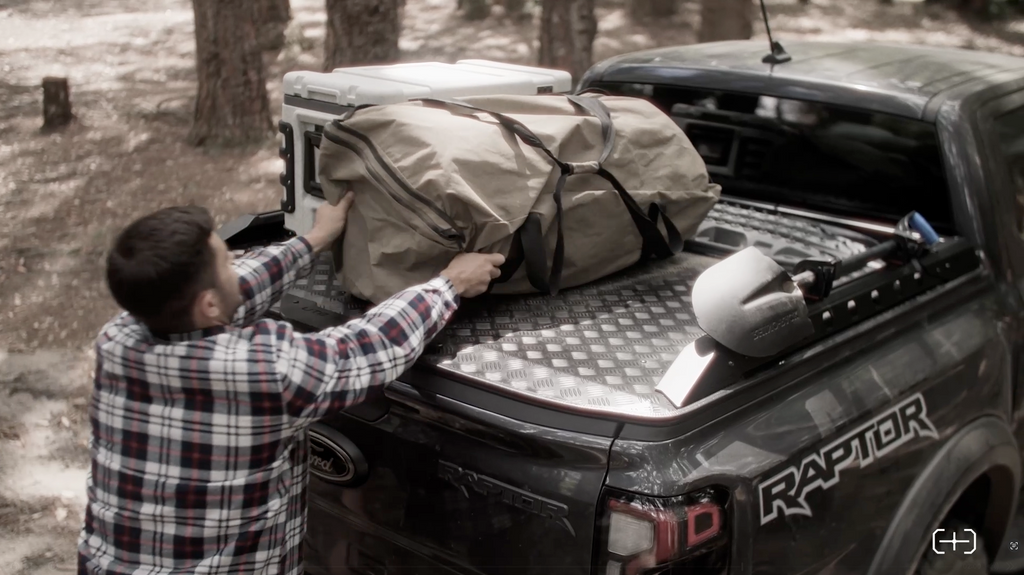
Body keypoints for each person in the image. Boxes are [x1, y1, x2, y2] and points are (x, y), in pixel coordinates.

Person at [77, 191, 504, 575]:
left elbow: (233, 292)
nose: (235, 264)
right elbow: (369, 346)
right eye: (225, 261)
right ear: (207, 302)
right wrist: (449, 285)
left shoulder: (118, 339)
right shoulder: (265, 372)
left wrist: (313, 240)